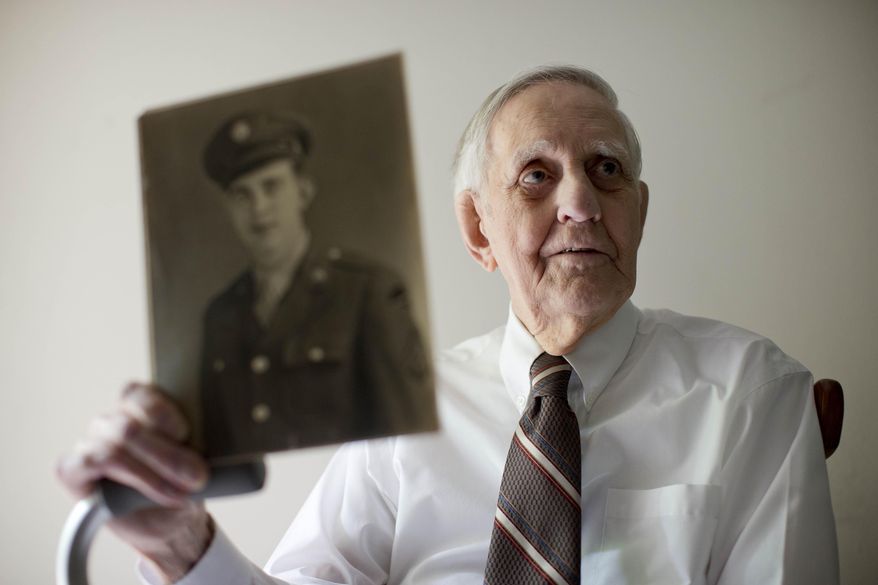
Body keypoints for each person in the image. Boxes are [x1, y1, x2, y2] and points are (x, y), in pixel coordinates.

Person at [57, 65, 839, 584]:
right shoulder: (401, 404)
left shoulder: (751, 389)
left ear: (638, 209)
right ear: (477, 231)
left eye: (606, 169)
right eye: (537, 175)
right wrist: (179, 542)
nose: (580, 203)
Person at [197, 111, 434, 458]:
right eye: (242, 195)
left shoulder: (368, 291)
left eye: (271, 186)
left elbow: (415, 444)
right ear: (229, 209)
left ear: (303, 192)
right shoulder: (220, 316)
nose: (259, 208)